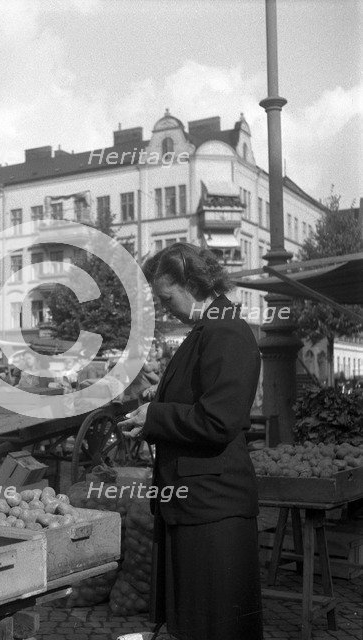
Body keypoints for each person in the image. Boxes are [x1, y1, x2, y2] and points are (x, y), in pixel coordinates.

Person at [119, 243, 263, 640]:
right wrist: (156, 402)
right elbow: (200, 399)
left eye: (167, 298)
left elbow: (219, 419)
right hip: (195, 504)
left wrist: (156, 416)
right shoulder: (206, 330)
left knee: (215, 626)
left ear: (191, 283)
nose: (166, 309)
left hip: (212, 507)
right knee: (196, 626)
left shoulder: (226, 332)